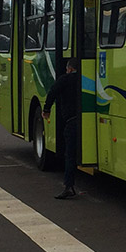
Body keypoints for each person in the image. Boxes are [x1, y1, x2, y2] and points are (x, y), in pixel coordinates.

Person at [42, 58, 80, 199]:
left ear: (69, 69)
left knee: (69, 155)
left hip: (71, 122)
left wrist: (46, 109)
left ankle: (68, 186)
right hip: (85, 122)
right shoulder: (85, 80)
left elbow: (52, 92)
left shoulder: (65, 80)